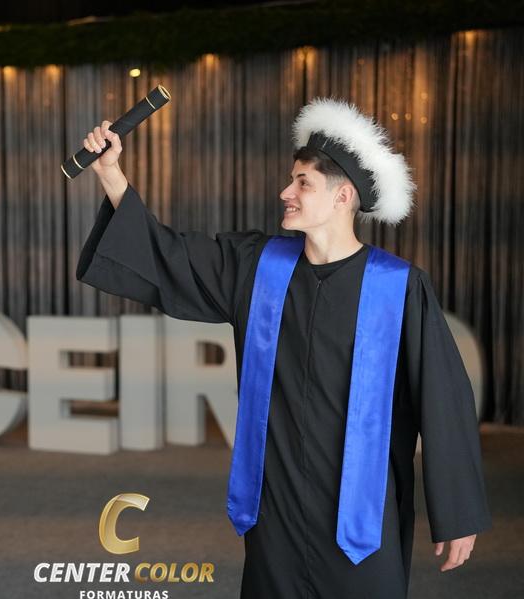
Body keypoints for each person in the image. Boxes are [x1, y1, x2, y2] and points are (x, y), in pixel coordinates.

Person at [75, 97, 492, 598]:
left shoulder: (397, 287)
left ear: (343, 197)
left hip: (360, 516)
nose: (285, 192)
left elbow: (443, 399)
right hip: (277, 510)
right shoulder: (258, 267)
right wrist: (111, 174)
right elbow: (169, 256)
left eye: (302, 183)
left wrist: (457, 513)